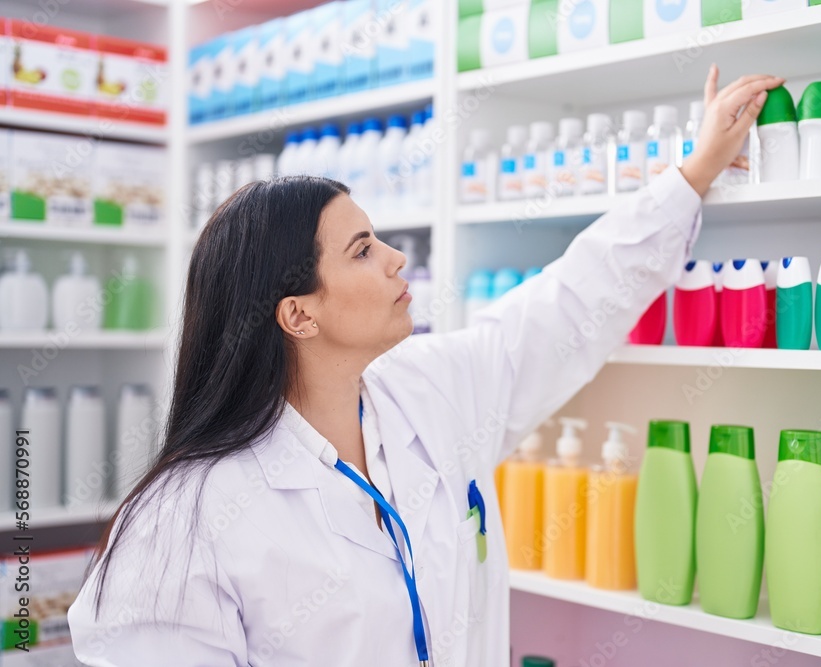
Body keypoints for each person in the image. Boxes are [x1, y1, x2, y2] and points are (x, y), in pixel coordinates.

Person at [68, 67, 784, 666]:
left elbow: (565, 309)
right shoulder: (182, 523)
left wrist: (692, 173)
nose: (395, 258)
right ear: (298, 314)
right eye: (361, 250)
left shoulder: (426, 391)